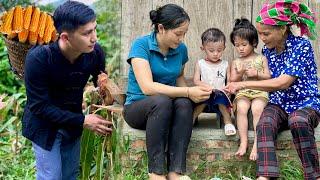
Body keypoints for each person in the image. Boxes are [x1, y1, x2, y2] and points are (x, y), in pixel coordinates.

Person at [225, 1, 319, 179]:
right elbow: (267, 79)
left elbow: (282, 82)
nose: (262, 38)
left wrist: (243, 84)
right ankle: (266, 175)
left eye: (266, 33)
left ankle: (314, 176)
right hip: (279, 103)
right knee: (265, 122)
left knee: (298, 120)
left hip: (305, 103)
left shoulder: (301, 46)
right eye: (260, 33)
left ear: (282, 29)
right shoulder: (267, 51)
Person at [22, 1, 113, 179]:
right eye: (87, 33)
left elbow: (99, 79)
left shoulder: (94, 53)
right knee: (51, 176)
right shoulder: (39, 58)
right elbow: (39, 106)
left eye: (95, 29)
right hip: (44, 127)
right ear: (65, 37)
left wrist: (103, 85)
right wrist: (84, 120)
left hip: (72, 124)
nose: (94, 38)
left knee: (70, 175)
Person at [123, 4, 212, 180]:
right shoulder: (141, 45)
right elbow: (148, 88)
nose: (181, 38)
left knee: (184, 103)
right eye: (178, 33)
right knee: (162, 101)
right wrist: (188, 91)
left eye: (184, 33)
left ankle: (175, 172)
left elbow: (179, 79)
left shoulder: (181, 50)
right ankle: (156, 173)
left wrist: (194, 94)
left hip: (166, 109)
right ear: (161, 28)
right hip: (138, 108)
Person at [229, 18, 271, 160]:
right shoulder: (236, 61)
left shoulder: (261, 58)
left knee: (257, 109)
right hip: (243, 92)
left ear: (253, 43)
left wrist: (256, 74)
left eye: (244, 44)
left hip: (260, 91)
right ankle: (244, 141)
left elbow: (269, 77)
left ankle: (257, 144)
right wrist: (240, 73)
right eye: (237, 45)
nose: (240, 48)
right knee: (241, 108)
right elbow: (233, 81)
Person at [193, 27, 236, 136]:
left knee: (222, 102)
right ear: (203, 48)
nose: (216, 53)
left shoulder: (225, 64)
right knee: (201, 103)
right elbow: (196, 80)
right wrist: (206, 86)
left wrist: (228, 90)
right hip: (205, 92)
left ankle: (228, 122)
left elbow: (229, 81)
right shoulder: (200, 63)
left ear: (224, 48)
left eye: (219, 50)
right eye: (211, 50)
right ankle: (190, 120)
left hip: (220, 93)